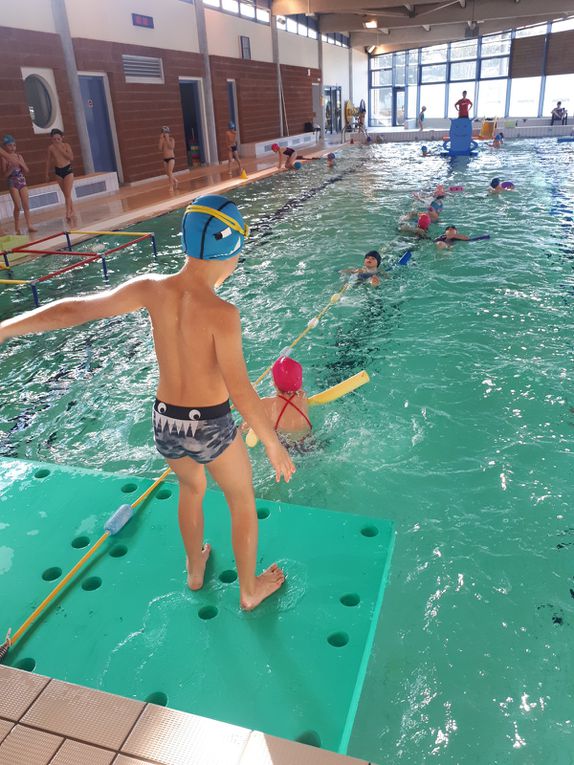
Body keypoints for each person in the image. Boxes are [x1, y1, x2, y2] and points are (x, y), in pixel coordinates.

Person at [0, 194, 296, 611]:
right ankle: (250, 590)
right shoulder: (221, 312)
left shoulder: (151, 289)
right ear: (232, 252)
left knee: (191, 488)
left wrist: (6, 328)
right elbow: (242, 389)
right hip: (209, 424)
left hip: (165, 422)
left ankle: (195, 570)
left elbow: (73, 311)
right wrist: (270, 441)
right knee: (241, 498)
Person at [257, 356, 312, 445]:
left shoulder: (266, 403)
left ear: (274, 383)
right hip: (309, 443)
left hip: (285, 447)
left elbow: (247, 425)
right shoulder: (303, 398)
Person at [1, 135, 37, 235]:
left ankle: (29, 225)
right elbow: (4, 175)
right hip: (12, 182)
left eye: (14, 145)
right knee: (18, 205)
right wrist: (11, 168)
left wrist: (22, 164)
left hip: (22, 180)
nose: (12, 147)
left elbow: (27, 170)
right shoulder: (4, 159)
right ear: (5, 147)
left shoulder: (19, 156)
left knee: (26, 205)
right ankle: (17, 227)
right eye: (9, 145)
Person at [45, 128, 75, 221]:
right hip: (58, 171)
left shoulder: (66, 145)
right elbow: (48, 161)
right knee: (66, 193)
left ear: (62, 138)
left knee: (67, 193)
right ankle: (72, 209)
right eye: (54, 139)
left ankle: (67, 213)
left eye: (58, 139)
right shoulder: (50, 148)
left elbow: (71, 157)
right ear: (51, 139)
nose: (56, 141)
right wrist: (46, 174)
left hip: (68, 170)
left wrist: (60, 149)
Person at [158, 126, 178, 191]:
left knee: (170, 172)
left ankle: (171, 186)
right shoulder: (162, 140)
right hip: (165, 159)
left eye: (166, 133)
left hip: (171, 158)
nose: (165, 134)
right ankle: (175, 180)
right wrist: (161, 140)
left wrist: (167, 139)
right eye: (163, 133)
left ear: (168, 133)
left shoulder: (171, 139)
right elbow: (160, 148)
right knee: (167, 173)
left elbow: (171, 147)